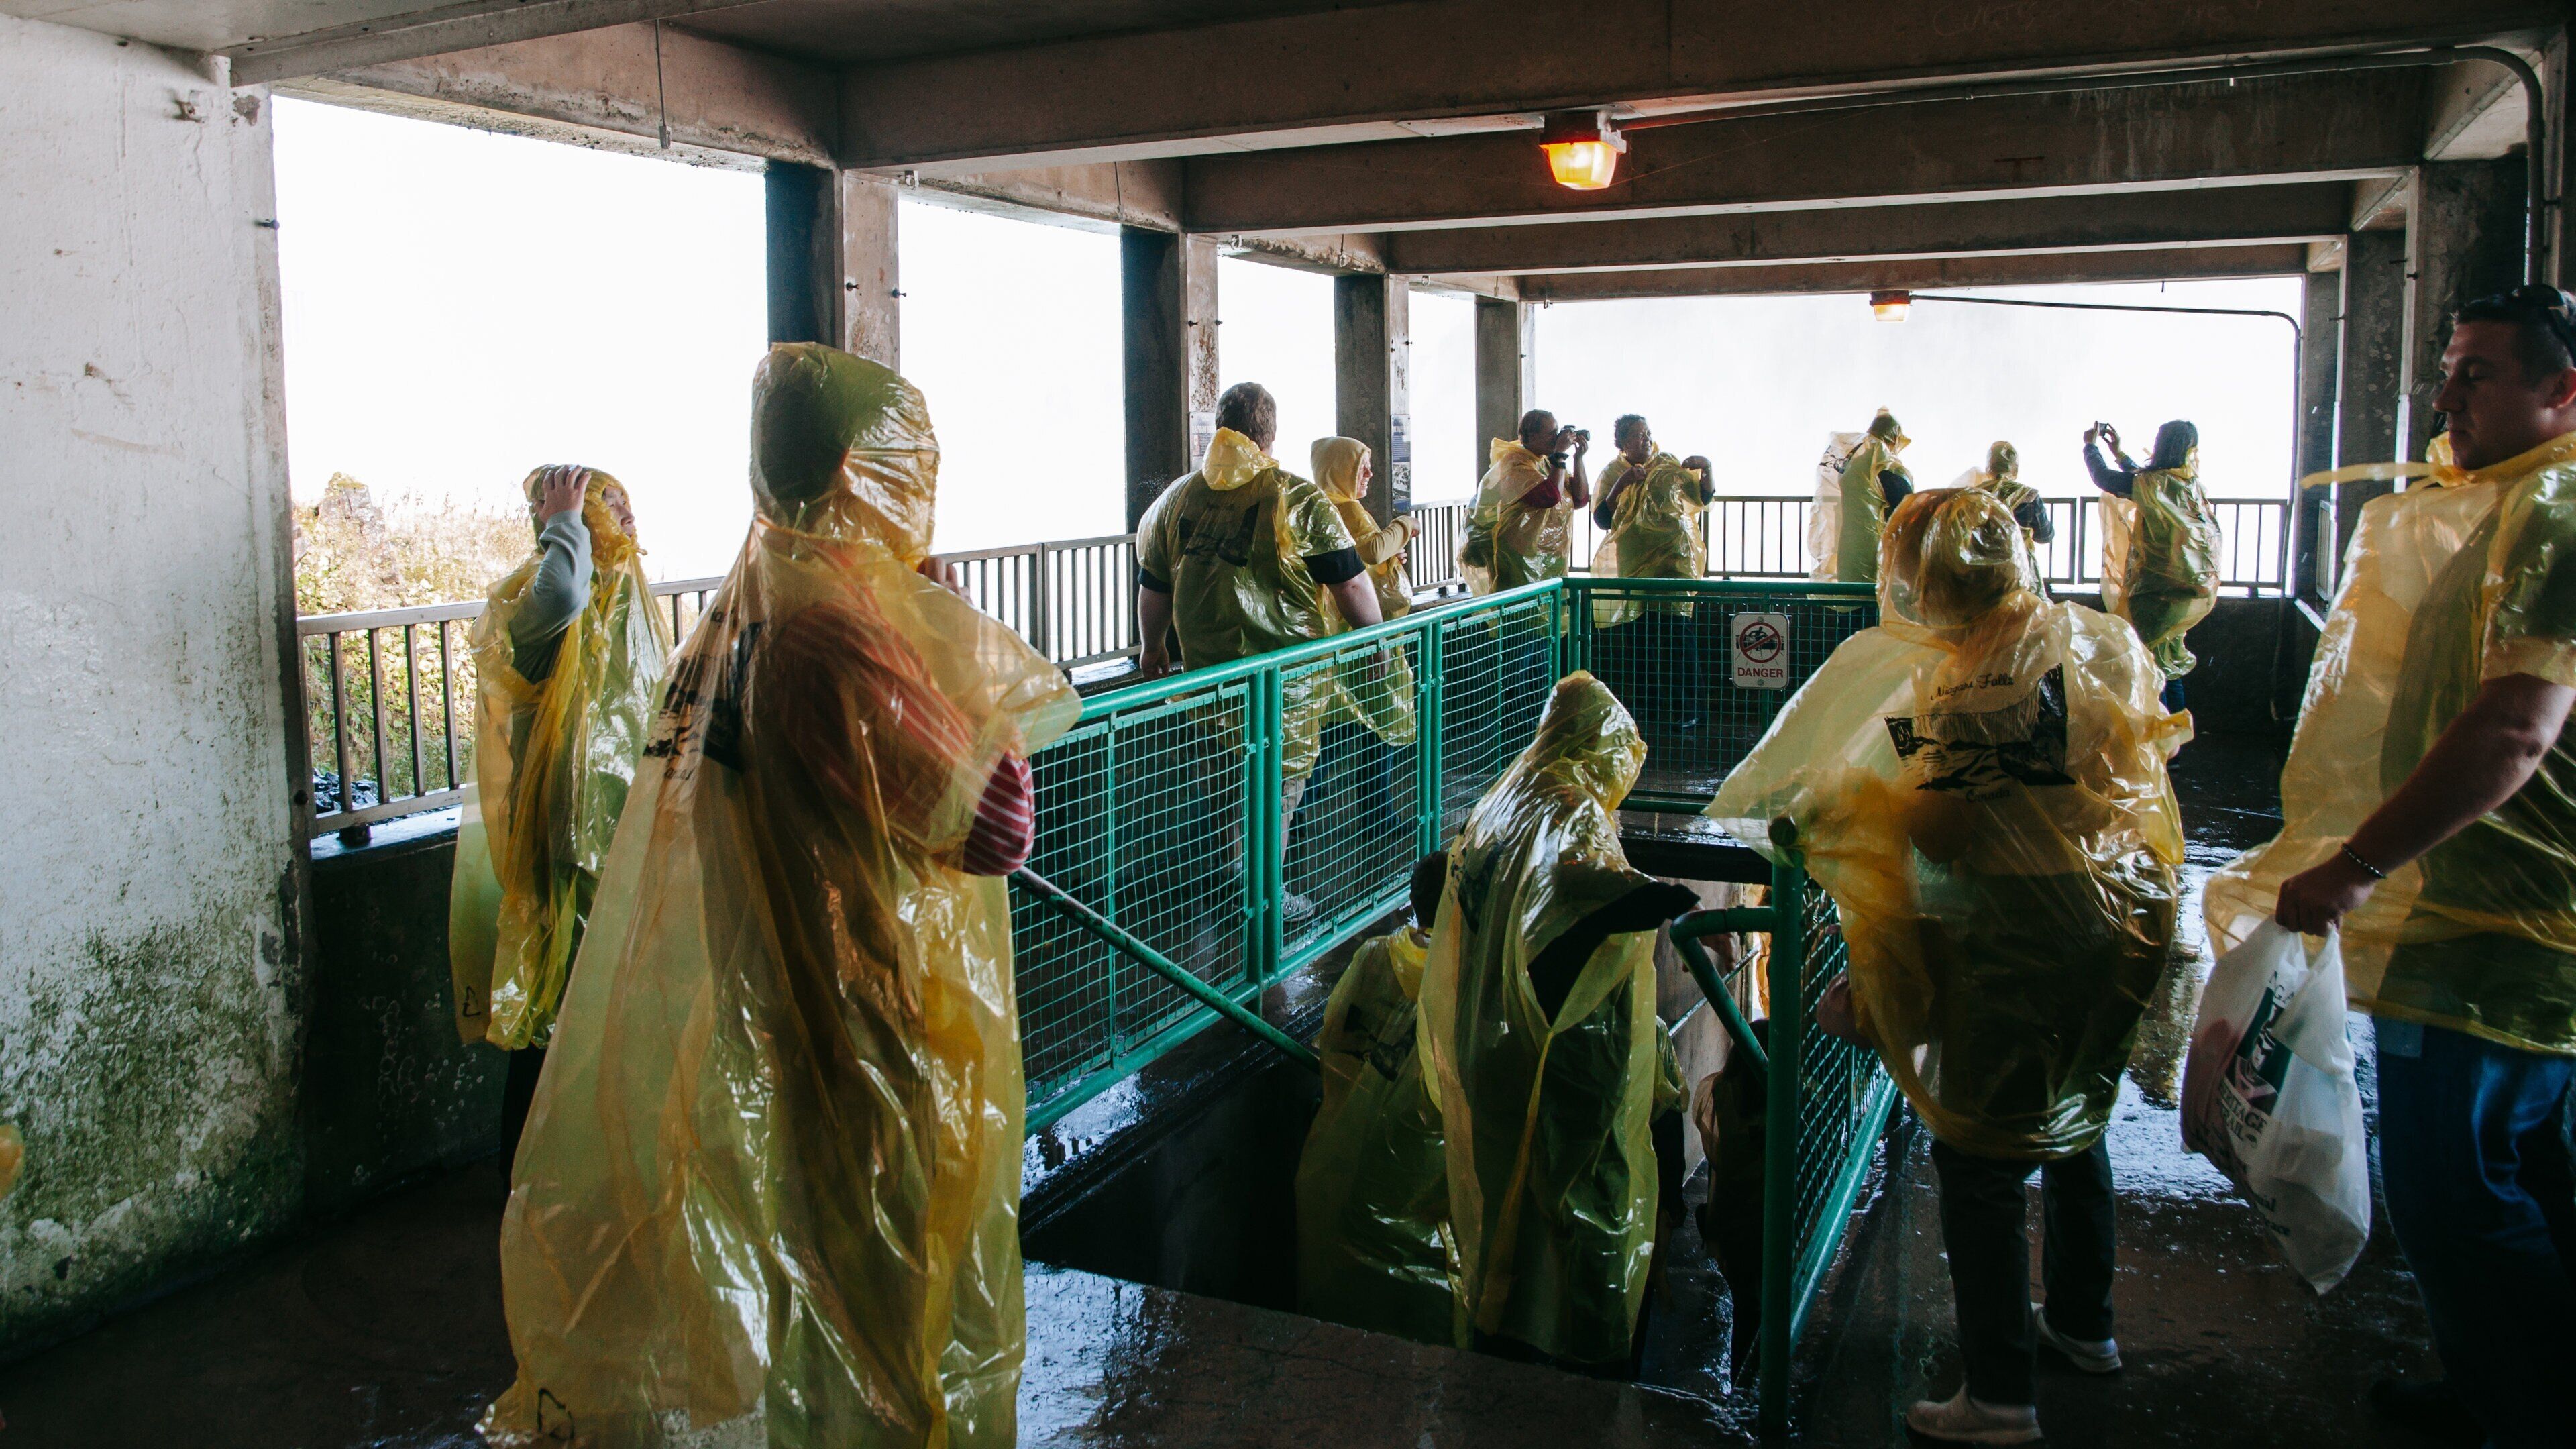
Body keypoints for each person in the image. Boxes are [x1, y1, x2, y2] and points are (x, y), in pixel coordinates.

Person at [482, 343, 1081, 1449]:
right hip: (864, 1034)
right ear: (861, 469)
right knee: (886, 1309)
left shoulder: (729, 626)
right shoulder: (839, 638)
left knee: (799, 1301)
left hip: (753, 1016)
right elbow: (996, 831)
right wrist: (957, 672)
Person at [1708, 487, 2188, 1444]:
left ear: (1929, 579)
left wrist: (1868, 804)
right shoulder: (2089, 639)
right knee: (2077, 1108)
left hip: (2023, 931)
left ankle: (2001, 1397)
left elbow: (1951, 831)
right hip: (2125, 910)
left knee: (1979, 1154)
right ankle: (2086, 1323)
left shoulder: (1976, 680)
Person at [2256, 287, 2576, 1449]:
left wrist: (2354, 866)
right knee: (2530, 1170)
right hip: (2473, 911)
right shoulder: (2498, 508)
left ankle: (2526, 1411)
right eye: (2447, 371)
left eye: (2477, 373)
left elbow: (2512, 732)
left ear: (2564, 390)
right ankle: (2496, 1374)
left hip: (2494, 931)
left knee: (2453, 1200)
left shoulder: (2556, 513)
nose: (2446, 397)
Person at [1419, 673, 1697, 1371]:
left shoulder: (1502, 800)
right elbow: (1579, 895)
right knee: (1583, 1217)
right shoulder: (1569, 807)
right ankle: (1588, 1373)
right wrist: (1665, 898)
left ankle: (1503, 1345)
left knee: (1506, 1207)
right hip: (1561, 1052)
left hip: (1491, 1041)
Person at [447, 463, 670, 1168]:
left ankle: (579, 1167)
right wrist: (564, 522)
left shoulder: (617, 604)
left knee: (598, 1009)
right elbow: (564, 588)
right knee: (554, 1015)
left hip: (612, 845)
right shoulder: (540, 604)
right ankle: (526, 1175)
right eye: (607, 511)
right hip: (560, 845)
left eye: (622, 510)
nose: (623, 526)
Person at [1132, 384, 1385, 922]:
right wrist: (1375, 642)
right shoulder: (1296, 497)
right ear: (1270, 435)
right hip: (1283, 688)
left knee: (1225, 788)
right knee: (1276, 796)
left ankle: (1231, 885)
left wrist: (1152, 648)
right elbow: (1352, 585)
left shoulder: (1177, 498)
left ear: (1221, 427)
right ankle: (1265, 903)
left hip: (1206, 680)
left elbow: (1153, 584)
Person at [1295, 851, 1452, 1344]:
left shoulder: (1374, 957)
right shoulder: (1462, 981)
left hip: (1349, 1156)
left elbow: (1335, 1041)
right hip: (1420, 1172)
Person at [1589, 413, 1715, 735]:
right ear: (1622, 443)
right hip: (1635, 567)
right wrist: (1623, 484)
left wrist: (1707, 468)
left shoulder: (1667, 465)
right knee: (1641, 640)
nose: (1646, 439)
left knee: (1677, 633)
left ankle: (1692, 710)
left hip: (1674, 563)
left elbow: (1702, 497)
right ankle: (1646, 712)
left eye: (1648, 433)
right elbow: (1602, 519)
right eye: (1638, 435)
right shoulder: (1613, 472)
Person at [2084, 419, 2220, 710]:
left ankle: (2160, 743)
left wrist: (2090, 447)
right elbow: (2144, 479)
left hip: (2156, 592)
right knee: (2168, 664)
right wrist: (2119, 453)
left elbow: (2105, 479)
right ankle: (2174, 746)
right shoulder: (2191, 484)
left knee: (2151, 668)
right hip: (2186, 589)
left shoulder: (2154, 484)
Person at [1461, 409, 1592, 595]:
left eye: (1557, 432)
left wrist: (1578, 459)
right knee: (1521, 618)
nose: (1556, 438)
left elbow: (1580, 499)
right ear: (1529, 436)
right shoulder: (1515, 463)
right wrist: (1560, 455)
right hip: (1518, 559)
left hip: (1549, 558)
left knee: (1551, 618)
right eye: (1551, 434)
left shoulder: (1547, 462)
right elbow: (1550, 497)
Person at [1312, 435, 1417, 622]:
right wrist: (1407, 524)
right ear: (1340, 470)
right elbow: (1373, 550)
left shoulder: (1319, 507)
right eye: (1361, 468)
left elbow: (1355, 555)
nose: (1370, 474)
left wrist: (1389, 556)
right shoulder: (1348, 508)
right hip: (1362, 618)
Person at [1832, 409, 1915, 584]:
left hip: (1848, 546)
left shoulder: (1854, 460)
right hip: (1874, 547)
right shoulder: (1883, 462)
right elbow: (1905, 506)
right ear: (1894, 438)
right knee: (1872, 599)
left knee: (1852, 597)